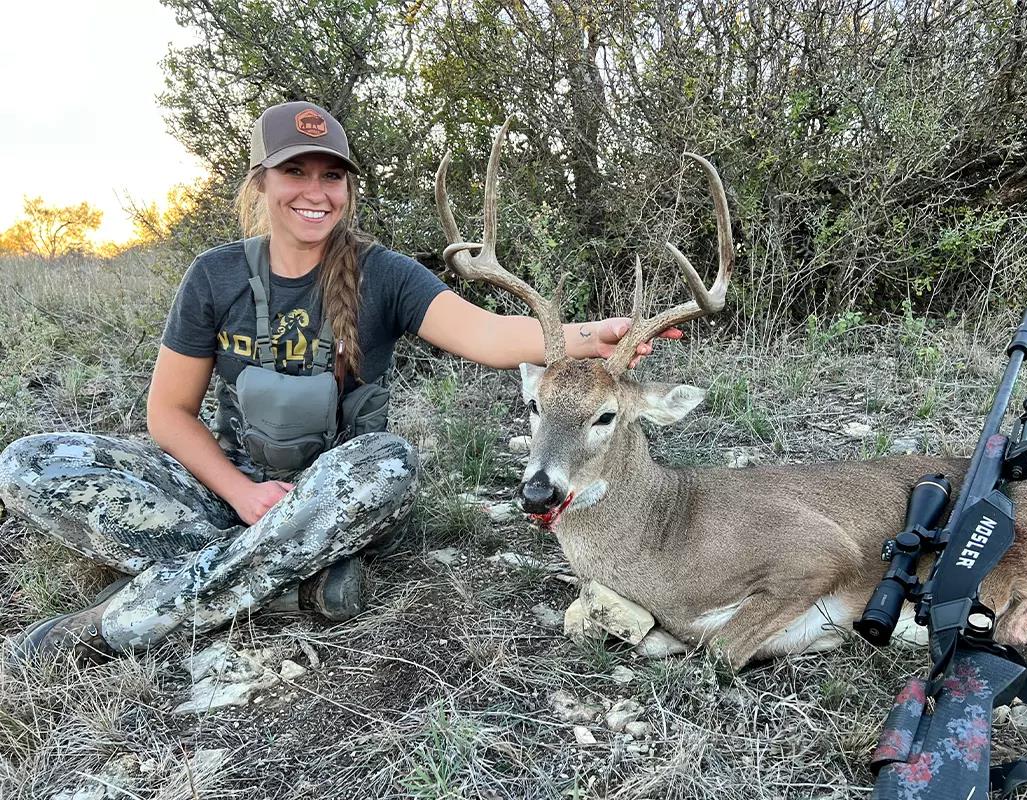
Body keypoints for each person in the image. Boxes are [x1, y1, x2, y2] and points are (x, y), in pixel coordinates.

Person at [0, 101, 676, 664]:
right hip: (229, 490)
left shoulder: (383, 273)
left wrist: (601, 333)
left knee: (391, 463)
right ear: (261, 181)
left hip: (336, 493)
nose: (315, 191)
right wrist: (241, 494)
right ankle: (291, 585)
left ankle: (115, 624)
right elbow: (169, 414)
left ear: (348, 190)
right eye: (295, 171)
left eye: (332, 175)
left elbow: (489, 336)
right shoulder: (215, 275)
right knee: (29, 463)